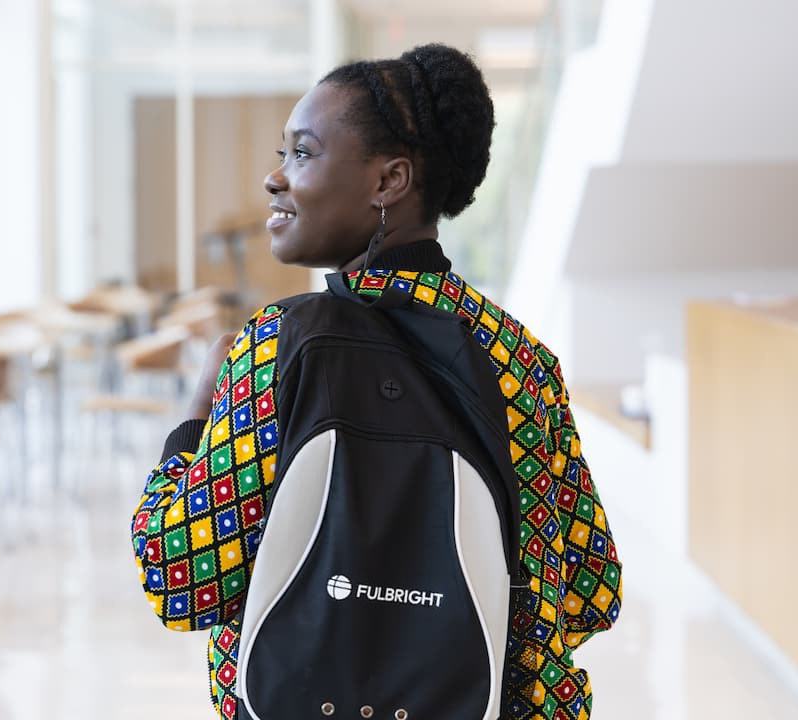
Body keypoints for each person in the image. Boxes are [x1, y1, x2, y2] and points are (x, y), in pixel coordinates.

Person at [131, 44, 622, 719]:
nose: (275, 179)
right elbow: (592, 594)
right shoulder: (519, 358)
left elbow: (177, 576)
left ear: (389, 181)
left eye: (302, 153)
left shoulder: (280, 346)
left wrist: (195, 413)